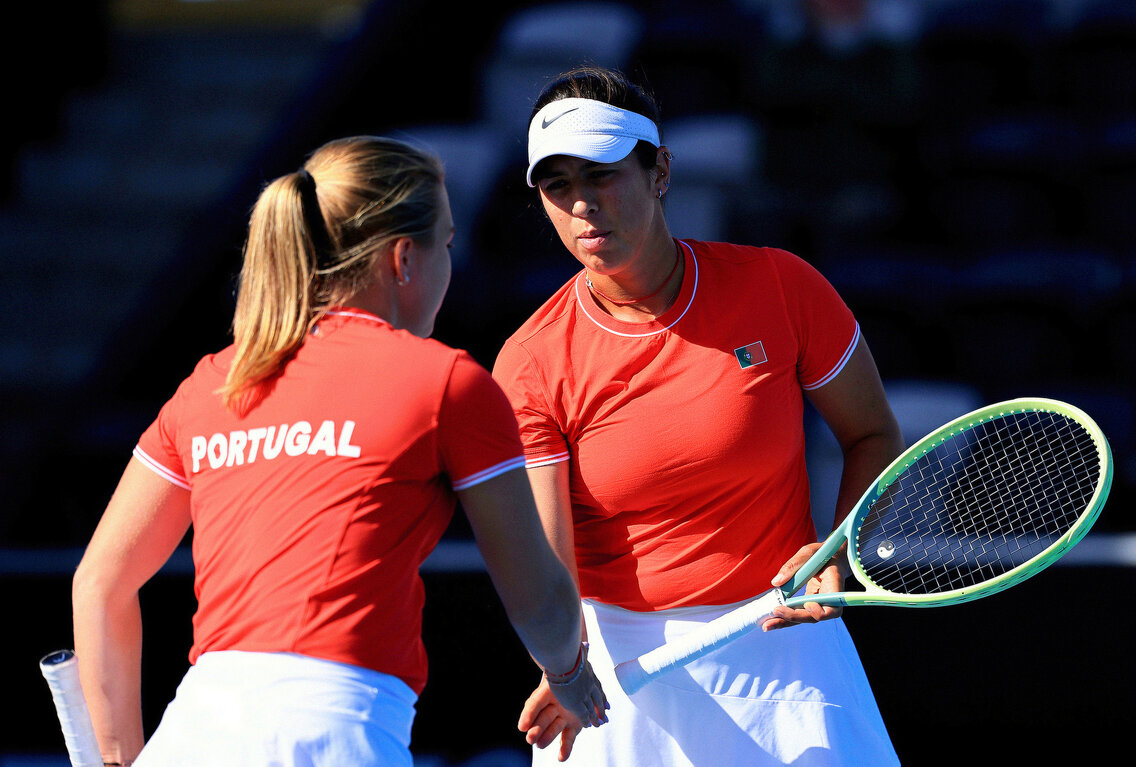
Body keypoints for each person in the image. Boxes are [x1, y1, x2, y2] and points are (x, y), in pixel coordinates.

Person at [71, 135, 608, 767]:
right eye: (446, 245)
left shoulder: (211, 382)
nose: (449, 266)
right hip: (332, 735)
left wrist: (115, 759)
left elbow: (99, 583)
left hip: (190, 734)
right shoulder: (447, 382)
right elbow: (539, 601)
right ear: (404, 259)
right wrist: (570, 674)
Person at [491, 67, 905, 766]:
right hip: (618, 676)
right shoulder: (530, 360)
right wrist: (563, 666)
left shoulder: (783, 285)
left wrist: (838, 550)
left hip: (788, 646)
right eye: (558, 185)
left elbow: (872, 433)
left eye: (602, 174)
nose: (583, 204)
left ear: (660, 172)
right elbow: (548, 569)